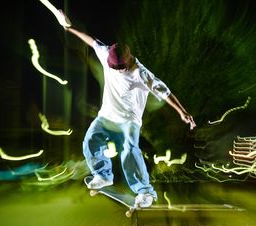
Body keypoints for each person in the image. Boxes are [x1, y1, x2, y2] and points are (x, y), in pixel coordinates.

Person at [57, 10, 196, 207]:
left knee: (129, 151)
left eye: (121, 68)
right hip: (106, 116)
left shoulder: (142, 73)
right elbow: (91, 41)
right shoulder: (106, 54)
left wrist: (182, 112)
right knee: (90, 141)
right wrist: (69, 27)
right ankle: (103, 175)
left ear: (129, 59)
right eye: (114, 68)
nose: (118, 71)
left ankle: (145, 192)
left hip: (129, 121)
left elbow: (166, 93)